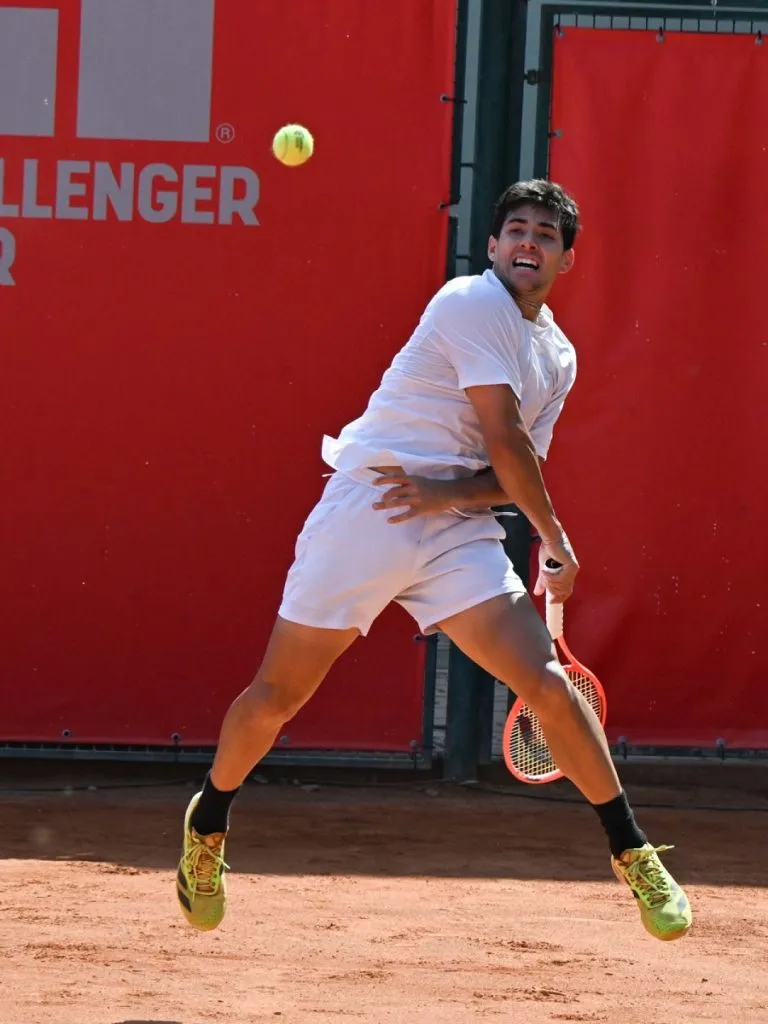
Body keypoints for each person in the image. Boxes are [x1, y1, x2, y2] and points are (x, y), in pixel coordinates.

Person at [175, 180, 692, 942]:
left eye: (545, 235)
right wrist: (555, 537)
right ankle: (208, 821)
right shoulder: (468, 301)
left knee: (543, 679)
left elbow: (507, 471)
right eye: (515, 229)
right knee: (277, 698)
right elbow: (508, 441)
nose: (528, 243)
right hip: (373, 506)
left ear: (566, 259)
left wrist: (446, 496)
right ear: (492, 247)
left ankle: (631, 847)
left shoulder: (557, 354)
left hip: (452, 523)